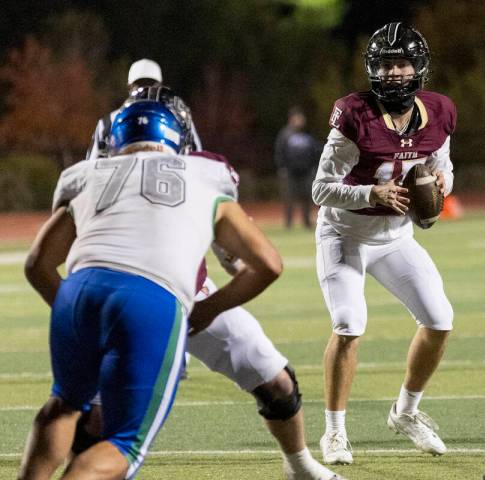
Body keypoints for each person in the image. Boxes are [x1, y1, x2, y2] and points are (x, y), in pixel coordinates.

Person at [71, 90, 343, 480]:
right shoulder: (115, 177)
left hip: (190, 292)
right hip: (128, 302)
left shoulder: (182, 175)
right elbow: (260, 263)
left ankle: (300, 466)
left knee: (277, 382)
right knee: (100, 417)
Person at [17, 100, 283, 479]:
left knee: (63, 405)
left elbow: (37, 264)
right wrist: (208, 309)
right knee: (125, 443)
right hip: (148, 296)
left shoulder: (91, 174)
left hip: (79, 289)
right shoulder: (204, 176)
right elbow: (269, 263)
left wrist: (70, 309)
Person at [312, 22, 455, 465]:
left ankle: (406, 412)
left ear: (419, 68)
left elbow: (441, 163)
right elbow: (320, 189)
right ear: (373, 69)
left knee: (440, 319)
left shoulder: (440, 111)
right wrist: (369, 194)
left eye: (402, 63)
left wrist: (444, 182)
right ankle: (334, 431)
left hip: (395, 238)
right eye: (386, 65)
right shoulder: (355, 114)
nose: (394, 73)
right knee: (349, 323)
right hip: (346, 234)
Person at [85, 58, 202, 160]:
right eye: (140, 84)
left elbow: (90, 167)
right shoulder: (107, 123)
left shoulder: (109, 121)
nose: (145, 89)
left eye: (150, 84)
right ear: (129, 87)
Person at [275, 107, 321, 229]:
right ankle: (288, 223)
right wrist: (282, 168)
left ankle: (306, 222)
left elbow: (314, 151)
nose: (301, 120)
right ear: (292, 119)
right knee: (289, 197)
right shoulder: (285, 134)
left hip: (306, 172)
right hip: (290, 172)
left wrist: (314, 167)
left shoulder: (307, 133)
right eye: (298, 117)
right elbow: (279, 152)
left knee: (307, 197)